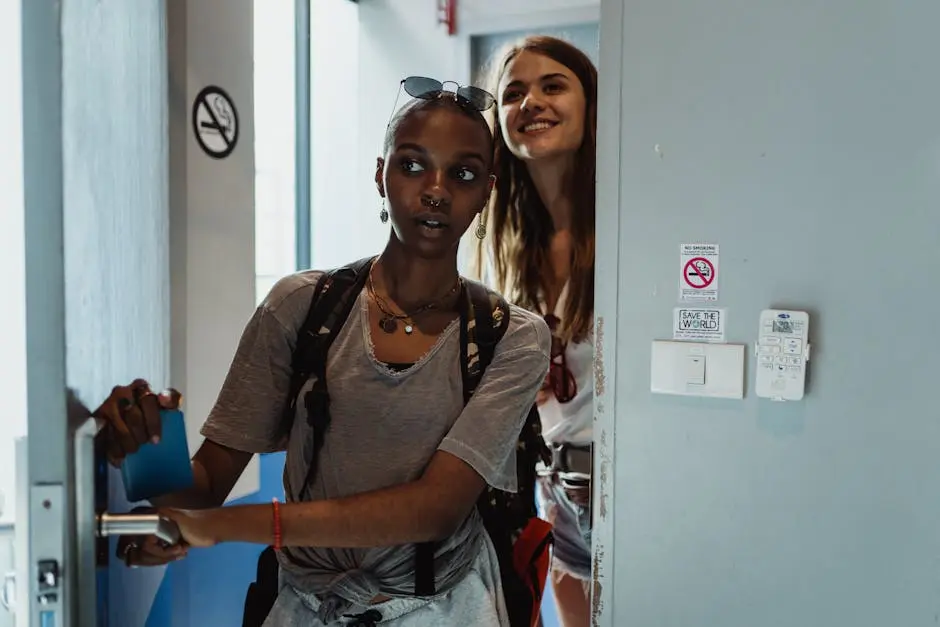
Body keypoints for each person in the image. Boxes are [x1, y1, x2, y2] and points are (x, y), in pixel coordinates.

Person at [95, 81, 551, 626]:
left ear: (486, 192)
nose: (435, 190)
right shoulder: (302, 307)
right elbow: (207, 484)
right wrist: (147, 443)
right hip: (306, 608)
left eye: (464, 173)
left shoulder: (511, 337)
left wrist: (224, 529)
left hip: (446, 608)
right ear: (379, 174)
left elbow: (436, 509)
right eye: (412, 165)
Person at [472, 36, 597, 627]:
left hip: (638, 482)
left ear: (590, 102)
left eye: (553, 85)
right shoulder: (507, 250)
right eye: (513, 93)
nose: (531, 103)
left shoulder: (632, 224)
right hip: (557, 485)